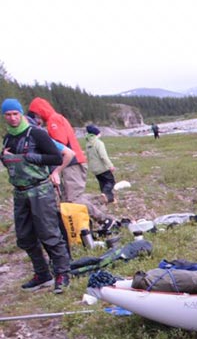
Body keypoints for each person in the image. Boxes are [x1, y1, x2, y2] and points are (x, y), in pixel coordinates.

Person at [1, 98, 73, 293]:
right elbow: (10, 163)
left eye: (16, 113)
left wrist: (32, 157)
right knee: (24, 237)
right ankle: (42, 274)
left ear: (21, 114)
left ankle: (62, 273)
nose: (13, 118)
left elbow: (57, 157)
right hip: (20, 193)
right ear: (4, 116)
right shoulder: (8, 138)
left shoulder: (37, 134)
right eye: (8, 115)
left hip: (40, 191)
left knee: (50, 234)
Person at [27, 97, 112, 226]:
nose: (37, 121)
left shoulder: (53, 120)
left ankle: (105, 219)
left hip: (72, 163)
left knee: (73, 199)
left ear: (39, 112)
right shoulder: (58, 118)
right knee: (68, 198)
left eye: (36, 116)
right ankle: (100, 200)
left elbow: (60, 144)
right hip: (73, 162)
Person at [84, 125, 117, 203]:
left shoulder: (88, 144)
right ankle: (105, 194)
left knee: (102, 183)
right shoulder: (98, 143)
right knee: (111, 182)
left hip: (95, 169)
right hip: (103, 168)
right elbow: (103, 156)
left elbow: (88, 157)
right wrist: (110, 165)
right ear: (96, 134)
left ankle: (109, 199)